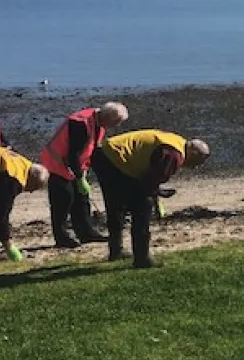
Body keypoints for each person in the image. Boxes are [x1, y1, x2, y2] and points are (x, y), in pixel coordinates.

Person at [90, 130, 211, 268]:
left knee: (116, 205)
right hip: (115, 162)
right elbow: (148, 182)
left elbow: (151, 176)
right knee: (142, 208)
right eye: (198, 162)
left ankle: (116, 250)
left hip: (104, 153)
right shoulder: (173, 154)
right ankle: (142, 259)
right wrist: (153, 196)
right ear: (193, 153)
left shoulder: (176, 141)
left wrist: (156, 191)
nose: (195, 167)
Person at [39, 102, 129, 248]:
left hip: (74, 165)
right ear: (107, 117)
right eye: (116, 122)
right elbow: (73, 154)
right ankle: (61, 238)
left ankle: (86, 233)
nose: (117, 126)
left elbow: (90, 149)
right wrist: (80, 178)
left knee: (81, 199)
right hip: (57, 164)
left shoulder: (99, 123)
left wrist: (83, 173)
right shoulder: (80, 124)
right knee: (63, 200)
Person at [0, 147, 50, 262]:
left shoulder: (23, 162)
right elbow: (2, 215)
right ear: (31, 179)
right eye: (34, 187)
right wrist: (8, 245)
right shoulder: (13, 180)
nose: (31, 192)